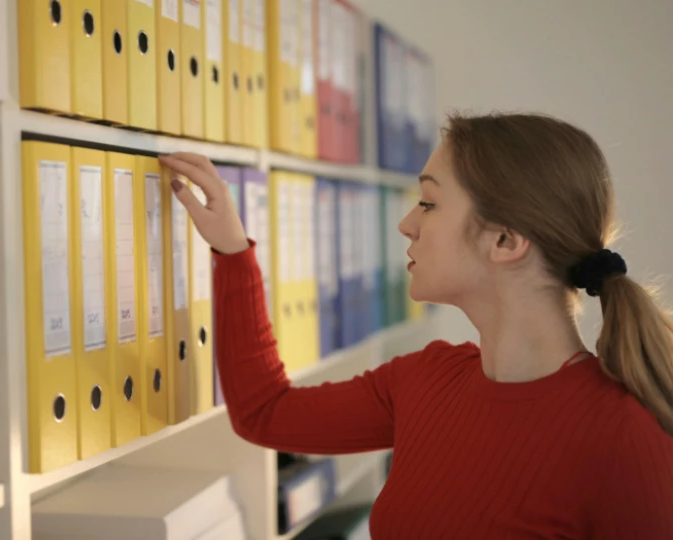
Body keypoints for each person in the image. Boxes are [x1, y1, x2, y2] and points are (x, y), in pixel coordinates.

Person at [158, 111, 673, 539]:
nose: (407, 223)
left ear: (505, 242)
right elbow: (264, 414)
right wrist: (231, 250)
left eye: (428, 202)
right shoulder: (424, 381)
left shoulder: (624, 438)